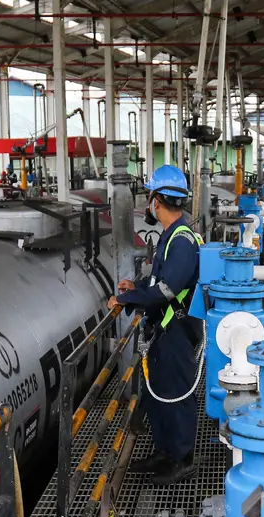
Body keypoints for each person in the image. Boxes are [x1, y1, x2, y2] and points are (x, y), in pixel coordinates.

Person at [107, 165, 203, 485]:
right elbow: (155, 280)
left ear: (157, 201)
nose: (149, 204)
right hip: (164, 328)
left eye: (150, 197)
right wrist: (134, 288)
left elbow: (166, 290)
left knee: (176, 394)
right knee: (159, 392)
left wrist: (126, 300)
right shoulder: (170, 236)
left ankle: (182, 459)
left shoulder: (182, 241)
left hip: (176, 329)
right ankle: (165, 452)